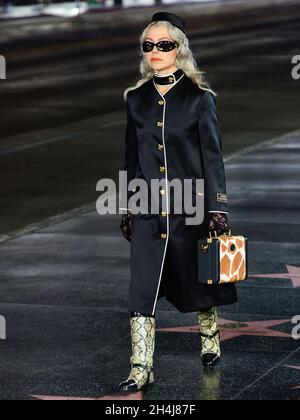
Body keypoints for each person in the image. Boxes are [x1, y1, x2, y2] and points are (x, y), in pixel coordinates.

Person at [119, 12, 237, 393]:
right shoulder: (136, 100)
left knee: (197, 282)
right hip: (148, 211)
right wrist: (127, 203)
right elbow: (131, 158)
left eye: (164, 45)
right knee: (142, 287)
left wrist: (217, 209)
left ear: (179, 49)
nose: (155, 51)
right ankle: (141, 367)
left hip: (193, 211)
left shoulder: (201, 100)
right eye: (148, 45)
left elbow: (213, 158)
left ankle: (209, 336)